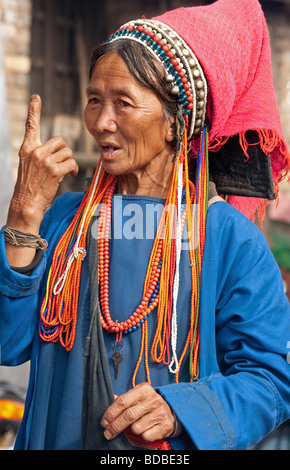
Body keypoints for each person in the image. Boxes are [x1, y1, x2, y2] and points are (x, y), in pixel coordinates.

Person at [0, 0, 290, 451]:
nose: (100, 122)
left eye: (123, 103)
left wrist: (181, 410)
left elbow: (272, 379)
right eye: (94, 100)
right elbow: (7, 344)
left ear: (176, 122)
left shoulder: (228, 239)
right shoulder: (62, 218)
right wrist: (22, 214)